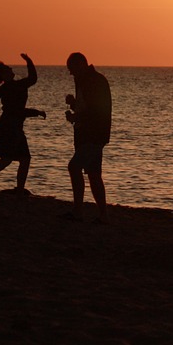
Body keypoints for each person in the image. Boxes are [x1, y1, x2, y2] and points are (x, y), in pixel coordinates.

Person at [0, 54, 46, 193]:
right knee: (7, 159)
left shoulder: (14, 86)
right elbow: (16, 110)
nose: (11, 68)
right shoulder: (12, 87)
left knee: (25, 159)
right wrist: (36, 112)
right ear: (4, 74)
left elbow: (32, 79)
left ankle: (19, 188)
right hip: (9, 126)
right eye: (8, 68)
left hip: (14, 126)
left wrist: (29, 61)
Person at [63, 52, 111, 222]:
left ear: (81, 64)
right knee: (93, 173)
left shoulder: (94, 81)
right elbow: (87, 108)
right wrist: (74, 105)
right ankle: (103, 215)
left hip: (93, 134)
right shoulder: (87, 80)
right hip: (91, 133)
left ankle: (78, 211)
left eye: (72, 69)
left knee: (74, 167)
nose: (71, 73)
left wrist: (76, 117)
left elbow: (95, 110)